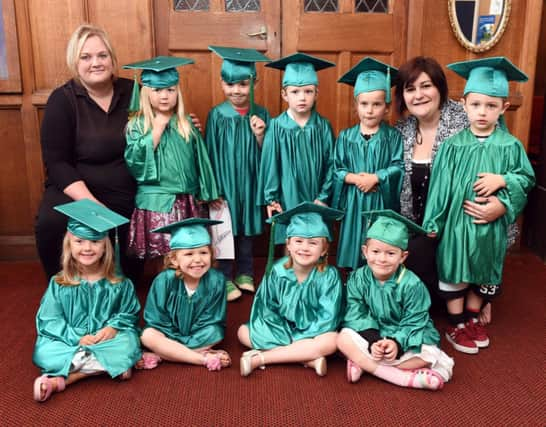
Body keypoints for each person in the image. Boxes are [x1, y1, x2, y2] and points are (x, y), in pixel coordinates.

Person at [423, 57, 535, 354]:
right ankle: (456, 324)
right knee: (455, 271)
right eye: (476, 105)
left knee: (482, 271)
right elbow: (440, 188)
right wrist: (434, 221)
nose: (482, 112)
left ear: (504, 108)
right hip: (458, 226)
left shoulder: (511, 147)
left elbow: (525, 180)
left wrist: (503, 188)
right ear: (464, 104)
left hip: (491, 226)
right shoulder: (452, 146)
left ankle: (472, 319)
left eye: (491, 105)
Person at [394, 56, 510, 323]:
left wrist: (502, 205)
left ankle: (479, 293)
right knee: (397, 265)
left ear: (440, 88)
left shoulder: (470, 120)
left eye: (426, 86)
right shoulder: (400, 132)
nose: (419, 95)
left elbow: (508, 169)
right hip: (422, 227)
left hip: (463, 227)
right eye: (410, 89)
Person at [34, 24, 141, 281]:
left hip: (124, 188)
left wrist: (184, 122)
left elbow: (161, 118)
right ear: (75, 61)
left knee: (131, 275)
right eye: (86, 56)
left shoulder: (133, 91)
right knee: (50, 222)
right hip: (74, 188)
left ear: (112, 59)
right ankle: (62, 286)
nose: (96, 63)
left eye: (102, 55)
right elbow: (57, 162)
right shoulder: (63, 100)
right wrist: (91, 204)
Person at [33, 199, 142, 402]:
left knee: (128, 342)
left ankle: (62, 378)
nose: (87, 248)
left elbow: (129, 312)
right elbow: (50, 319)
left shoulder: (120, 283)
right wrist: (77, 338)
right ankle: (105, 367)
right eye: (79, 241)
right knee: (44, 351)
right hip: (71, 341)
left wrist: (113, 327)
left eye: (95, 241)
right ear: (69, 245)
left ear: (105, 247)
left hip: (106, 340)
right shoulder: (59, 283)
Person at [337, 210, 453, 391]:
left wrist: (395, 343)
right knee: (342, 338)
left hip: (404, 336)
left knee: (429, 353)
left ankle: (365, 364)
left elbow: (415, 320)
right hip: (372, 335)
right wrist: (373, 341)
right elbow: (355, 312)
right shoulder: (357, 278)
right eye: (375, 251)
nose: (382, 259)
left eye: (390, 253)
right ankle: (402, 377)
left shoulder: (412, 285)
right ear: (365, 252)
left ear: (403, 256)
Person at [123, 57, 219, 261]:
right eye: (157, 90)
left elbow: (200, 160)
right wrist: (157, 128)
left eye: (170, 90)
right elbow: (135, 162)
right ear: (146, 93)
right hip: (158, 202)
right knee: (165, 254)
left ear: (178, 92)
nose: (164, 96)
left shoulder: (186, 124)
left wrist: (208, 192)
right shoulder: (137, 125)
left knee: (188, 251)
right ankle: (165, 289)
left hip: (187, 200)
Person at [238, 203, 344, 377]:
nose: (304, 248)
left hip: (314, 333)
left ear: (324, 249)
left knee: (332, 340)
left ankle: (261, 359)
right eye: (298, 241)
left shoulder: (329, 276)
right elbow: (266, 308)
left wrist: (299, 337)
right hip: (281, 330)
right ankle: (306, 358)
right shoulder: (277, 271)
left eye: (313, 243)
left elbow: (328, 318)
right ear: (288, 244)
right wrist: (285, 334)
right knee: (243, 332)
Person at [206, 46, 271, 301]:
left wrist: (260, 135)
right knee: (225, 228)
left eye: (243, 84)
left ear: (255, 82)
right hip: (225, 182)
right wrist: (211, 189)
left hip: (251, 181)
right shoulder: (216, 115)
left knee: (247, 227)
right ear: (222, 83)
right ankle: (223, 275)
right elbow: (209, 152)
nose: (237, 91)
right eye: (230, 84)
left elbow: (270, 153)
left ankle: (245, 272)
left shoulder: (262, 114)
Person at [257, 53, 336, 245]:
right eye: (295, 92)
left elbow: (332, 163)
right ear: (284, 94)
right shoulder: (276, 126)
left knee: (315, 241)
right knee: (291, 240)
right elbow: (270, 166)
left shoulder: (323, 126)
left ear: (317, 93)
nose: (302, 97)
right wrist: (272, 198)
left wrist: (324, 197)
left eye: (308, 92)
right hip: (287, 196)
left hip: (316, 196)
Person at [333, 57, 404, 270]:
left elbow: (398, 166)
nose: (370, 110)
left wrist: (376, 177)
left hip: (379, 201)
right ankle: (353, 282)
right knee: (354, 242)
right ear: (356, 106)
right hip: (354, 201)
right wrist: (355, 178)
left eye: (377, 104)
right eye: (364, 104)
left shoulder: (393, 137)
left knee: (378, 244)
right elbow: (336, 169)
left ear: (387, 108)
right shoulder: (346, 137)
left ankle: (375, 282)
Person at [138, 218, 231, 371]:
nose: (198, 260)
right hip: (167, 333)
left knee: (216, 332)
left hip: (199, 334)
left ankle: (165, 354)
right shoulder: (164, 280)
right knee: (147, 335)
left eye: (203, 252)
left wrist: (173, 344)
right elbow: (156, 317)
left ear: (211, 254)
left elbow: (214, 317)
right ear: (174, 260)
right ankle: (202, 358)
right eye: (189, 254)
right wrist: (174, 336)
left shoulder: (217, 280)